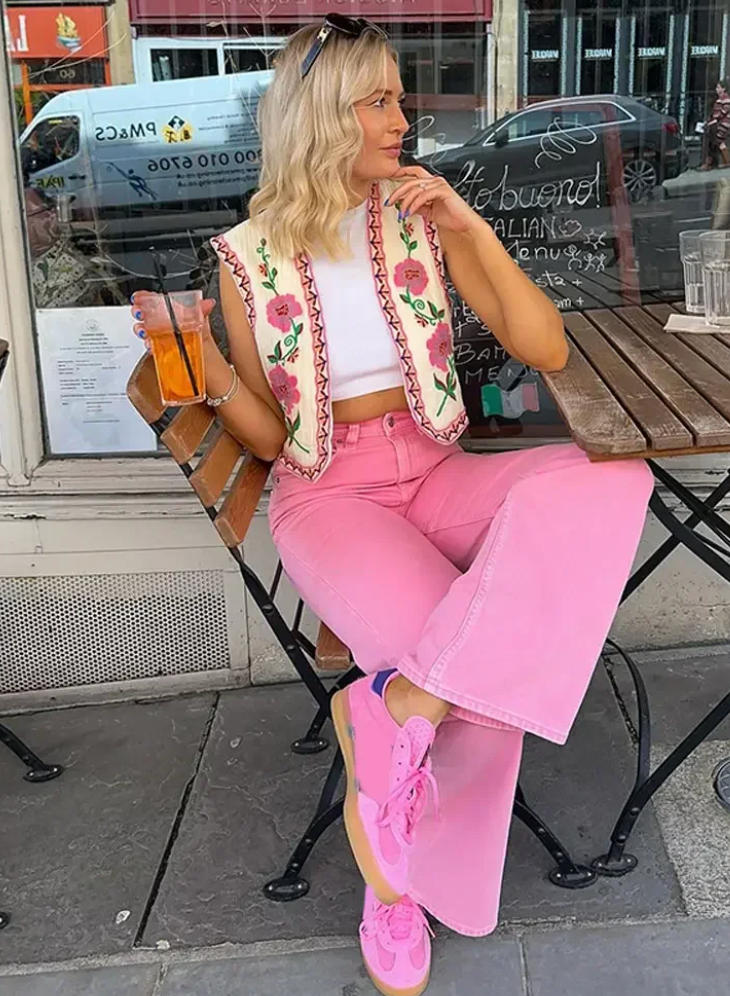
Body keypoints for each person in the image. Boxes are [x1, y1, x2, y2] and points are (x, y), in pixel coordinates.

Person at [132, 18, 653, 996]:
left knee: (612, 478)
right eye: (378, 101)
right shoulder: (245, 258)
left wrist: (472, 230)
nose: (401, 121)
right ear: (322, 115)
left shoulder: (417, 216)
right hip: (332, 500)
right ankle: (395, 885)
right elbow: (268, 440)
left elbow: (545, 348)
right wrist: (205, 368)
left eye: (397, 100)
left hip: (436, 470)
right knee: (474, 689)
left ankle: (390, 707)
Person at [701, 79, 730, 170]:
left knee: (715, 142)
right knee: (717, 142)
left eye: (718, 87)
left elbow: (723, 112)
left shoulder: (726, 99)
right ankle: (724, 161)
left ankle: (710, 163)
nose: (716, 89)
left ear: (723, 89)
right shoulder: (720, 99)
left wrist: (714, 120)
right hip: (719, 123)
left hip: (722, 124)